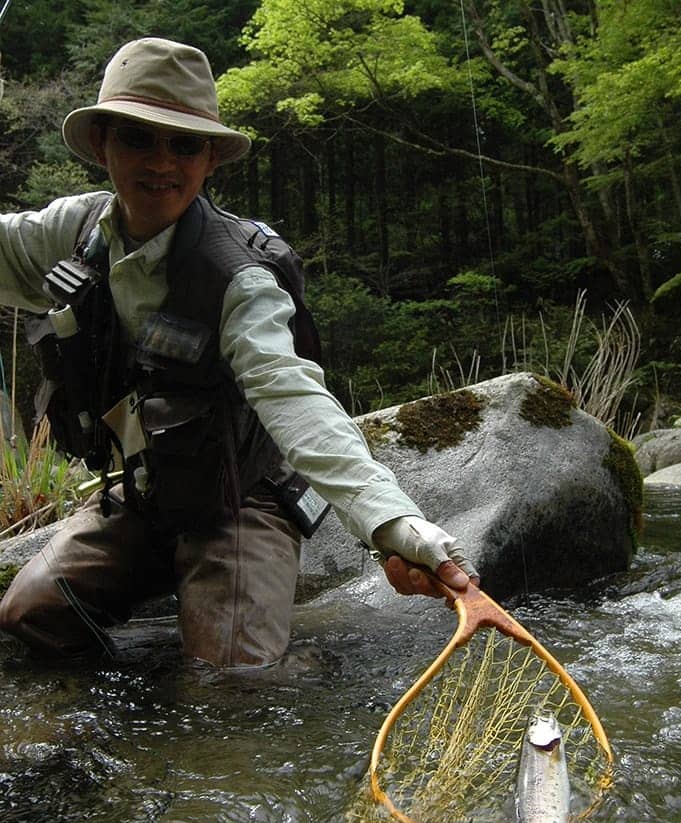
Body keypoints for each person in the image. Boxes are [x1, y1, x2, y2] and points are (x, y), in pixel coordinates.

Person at [0, 37, 477, 667]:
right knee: (28, 614)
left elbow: (293, 394)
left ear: (210, 161)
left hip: (241, 497)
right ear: (101, 144)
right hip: (142, 495)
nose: (161, 162)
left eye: (184, 144)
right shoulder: (71, 232)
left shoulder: (239, 276)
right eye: (138, 138)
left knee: (230, 679)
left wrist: (392, 523)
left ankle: (299, 668)